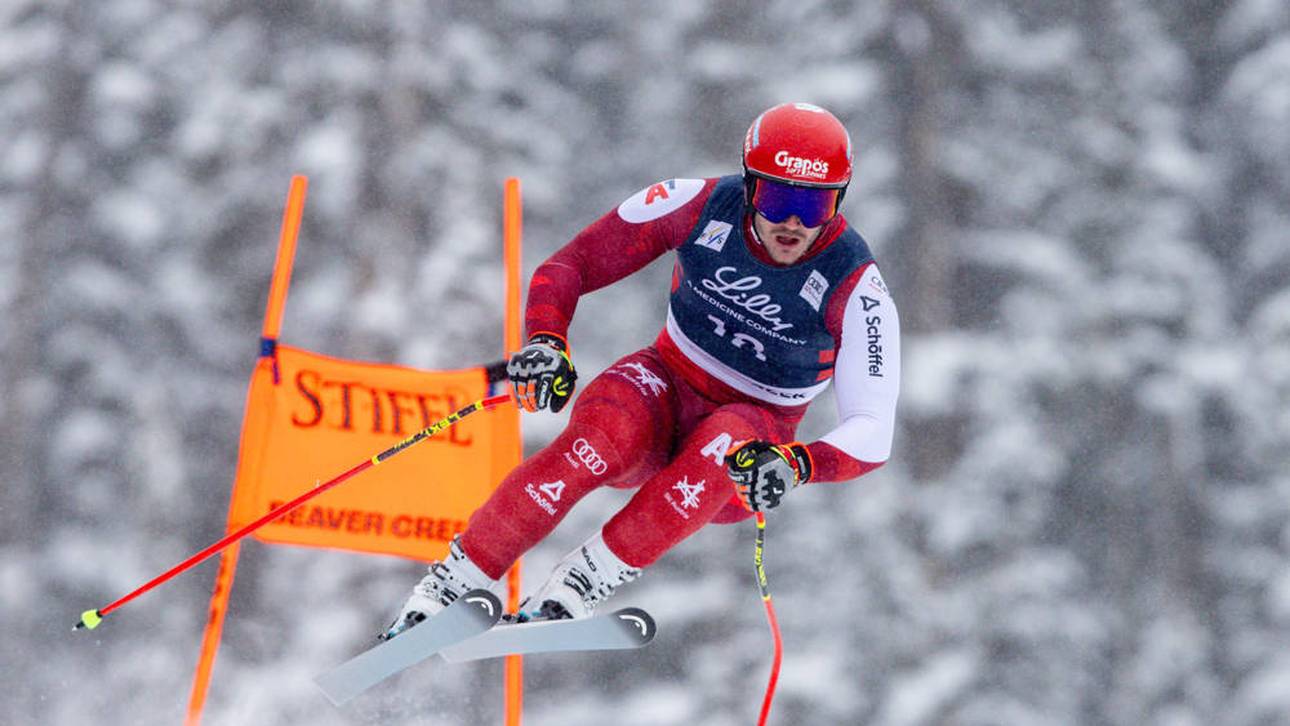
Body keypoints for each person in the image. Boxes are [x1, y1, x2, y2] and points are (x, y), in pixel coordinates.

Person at [385, 102, 900, 637]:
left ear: (839, 200)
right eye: (779, 199)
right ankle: (447, 587)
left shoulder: (856, 283)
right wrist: (546, 341)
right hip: (665, 384)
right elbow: (571, 264)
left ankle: (578, 586)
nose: (793, 222)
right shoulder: (698, 203)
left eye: (814, 205)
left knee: (725, 438)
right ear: (749, 186)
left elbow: (873, 431)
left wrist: (796, 464)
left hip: (750, 438)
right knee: (600, 435)